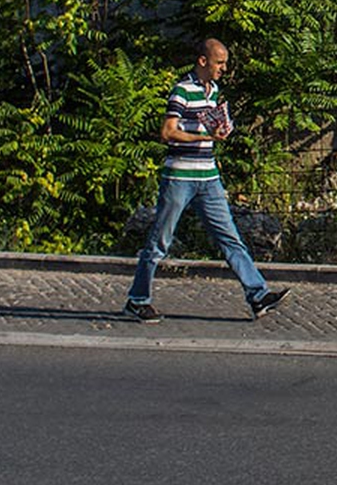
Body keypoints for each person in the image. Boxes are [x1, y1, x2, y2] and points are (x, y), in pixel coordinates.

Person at [123, 38, 288, 323]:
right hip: (180, 176)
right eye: (219, 62)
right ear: (203, 61)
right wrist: (205, 137)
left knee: (230, 238)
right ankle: (138, 300)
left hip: (208, 176)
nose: (224, 68)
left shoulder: (213, 92)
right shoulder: (182, 91)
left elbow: (209, 126)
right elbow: (168, 131)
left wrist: (222, 129)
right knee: (160, 240)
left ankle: (258, 295)